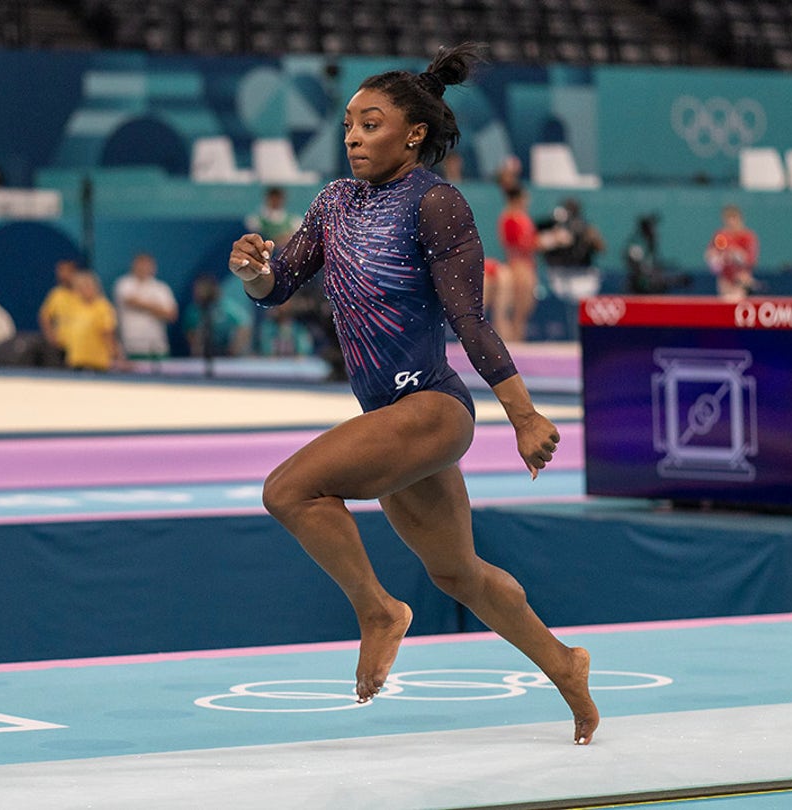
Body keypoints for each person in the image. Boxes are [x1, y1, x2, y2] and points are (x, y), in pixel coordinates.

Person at [226, 44, 597, 745]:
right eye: (348, 126)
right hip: (393, 417)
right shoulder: (334, 201)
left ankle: (378, 612)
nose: (353, 137)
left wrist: (522, 414)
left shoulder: (436, 203)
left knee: (288, 491)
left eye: (370, 124)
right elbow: (281, 285)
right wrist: (253, 271)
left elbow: (468, 317)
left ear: (414, 133)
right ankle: (566, 665)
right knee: (459, 572)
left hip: (430, 407)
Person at [536, 197, 606, 315]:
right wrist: (554, 238)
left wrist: (592, 238)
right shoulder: (553, 228)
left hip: (583, 275)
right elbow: (537, 244)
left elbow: (602, 248)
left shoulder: (586, 228)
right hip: (557, 275)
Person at [113, 251, 177, 362]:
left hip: (157, 348)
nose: (143, 268)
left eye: (147, 265)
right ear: (134, 266)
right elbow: (131, 302)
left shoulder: (162, 288)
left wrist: (143, 305)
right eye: (140, 265)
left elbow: (171, 315)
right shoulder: (124, 284)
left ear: (153, 267)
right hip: (131, 347)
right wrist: (157, 307)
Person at [495, 185, 538, 342]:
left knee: (527, 305)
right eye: (525, 198)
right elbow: (518, 243)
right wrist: (542, 242)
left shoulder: (523, 218)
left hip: (527, 264)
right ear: (518, 199)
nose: (528, 201)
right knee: (519, 306)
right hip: (518, 265)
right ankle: (514, 338)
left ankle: (518, 336)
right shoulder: (510, 218)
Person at [57, 269, 118, 372]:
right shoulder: (75, 306)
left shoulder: (102, 307)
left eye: (86, 287)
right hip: (75, 361)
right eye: (79, 288)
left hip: (97, 363)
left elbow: (107, 332)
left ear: (95, 287)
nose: (82, 291)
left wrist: (113, 354)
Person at [184, 273, 252, 358]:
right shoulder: (193, 312)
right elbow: (190, 334)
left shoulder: (226, 308)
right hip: (203, 355)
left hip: (228, 355)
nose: (199, 292)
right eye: (197, 289)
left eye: (203, 289)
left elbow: (244, 324)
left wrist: (234, 348)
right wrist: (197, 348)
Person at [704, 203, 758, 301]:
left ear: (740, 219)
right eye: (728, 219)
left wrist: (738, 255)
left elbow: (751, 261)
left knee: (736, 302)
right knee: (725, 305)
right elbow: (710, 255)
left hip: (741, 279)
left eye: (734, 218)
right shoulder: (720, 235)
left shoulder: (748, 237)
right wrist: (714, 258)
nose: (731, 222)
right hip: (725, 280)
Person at [38, 257, 81, 366]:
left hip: (81, 347)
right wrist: (50, 336)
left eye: (66, 271)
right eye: (60, 271)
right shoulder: (56, 294)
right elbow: (44, 316)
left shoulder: (83, 294)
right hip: (61, 346)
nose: (62, 275)